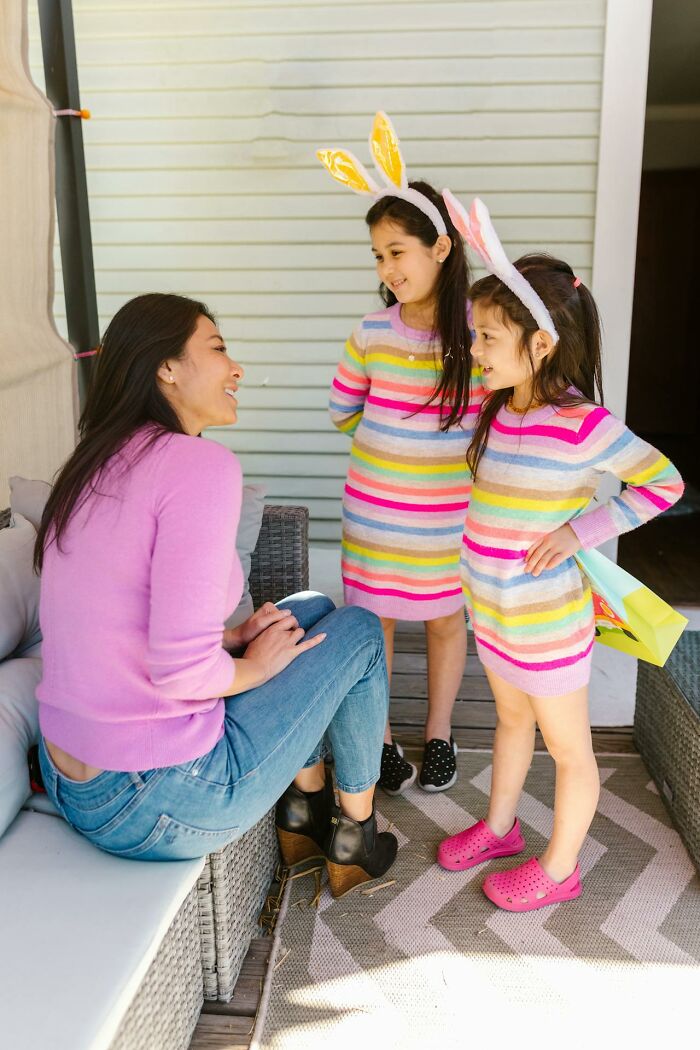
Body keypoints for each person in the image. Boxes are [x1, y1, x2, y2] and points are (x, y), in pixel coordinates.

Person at [34, 292, 397, 898]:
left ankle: (304, 811)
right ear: (166, 368)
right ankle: (355, 834)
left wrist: (230, 640)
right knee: (357, 630)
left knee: (305, 613)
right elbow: (179, 674)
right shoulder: (197, 466)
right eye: (219, 348)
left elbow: (111, 613)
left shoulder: (91, 463)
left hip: (75, 783)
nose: (237, 369)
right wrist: (254, 667)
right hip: (162, 800)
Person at [436, 196, 683, 910]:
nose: (473, 349)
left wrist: (581, 532)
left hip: (548, 622)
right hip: (495, 612)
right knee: (510, 721)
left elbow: (663, 484)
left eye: (486, 337)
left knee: (569, 748)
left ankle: (561, 868)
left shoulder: (583, 424)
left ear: (539, 344)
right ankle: (501, 827)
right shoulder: (500, 409)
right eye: (474, 335)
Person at [320, 115, 484, 796]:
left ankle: (439, 732)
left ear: (441, 248)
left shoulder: (480, 330)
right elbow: (341, 410)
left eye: (397, 252)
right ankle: (382, 737)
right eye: (377, 257)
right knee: (376, 623)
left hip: (450, 517)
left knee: (446, 620)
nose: (387, 269)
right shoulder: (370, 331)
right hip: (378, 516)